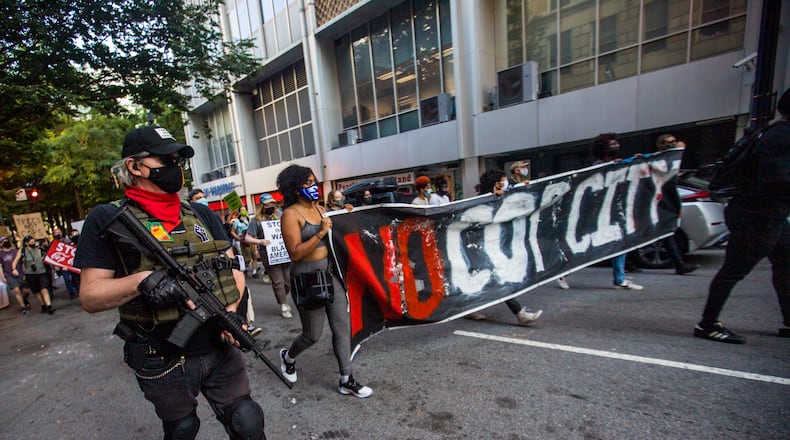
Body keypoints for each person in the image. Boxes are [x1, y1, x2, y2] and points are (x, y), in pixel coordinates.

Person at [74, 125, 265, 439]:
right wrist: (142, 280)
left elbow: (233, 269)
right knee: (182, 429)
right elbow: (90, 296)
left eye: (179, 160)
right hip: (160, 355)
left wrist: (231, 313)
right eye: (165, 160)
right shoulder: (107, 218)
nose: (176, 168)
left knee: (248, 421)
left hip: (218, 347)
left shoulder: (202, 214)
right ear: (134, 167)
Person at [694, 89, 790, 344]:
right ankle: (708, 324)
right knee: (733, 271)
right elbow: (775, 179)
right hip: (758, 215)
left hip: (768, 214)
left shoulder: (770, 133)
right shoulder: (781, 137)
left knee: (785, 263)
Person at [277, 164, 373, 398]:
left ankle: (346, 379)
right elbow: (296, 253)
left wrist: (347, 216)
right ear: (294, 187)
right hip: (307, 277)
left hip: (331, 274)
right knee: (313, 335)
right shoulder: (290, 215)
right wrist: (320, 232)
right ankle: (288, 358)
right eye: (307, 183)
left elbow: (337, 231)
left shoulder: (321, 210)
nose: (313, 186)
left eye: (314, 181)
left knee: (342, 328)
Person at [465, 169, 543, 325]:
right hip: (479, 248)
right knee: (500, 278)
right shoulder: (480, 201)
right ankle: (520, 313)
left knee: (489, 280)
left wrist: (525, 189)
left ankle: (469, 308)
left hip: (492, 246)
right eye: (503, 181)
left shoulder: (501, 198)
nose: (506, 184)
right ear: (496, 184)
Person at [591, 133, 644, 290]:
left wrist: (634, 161)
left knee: (620, 244)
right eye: (611, 144)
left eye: (616, 143)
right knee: (592, 246)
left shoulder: (619, 164)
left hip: (615, 211)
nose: (616, 146)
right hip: (599, 213)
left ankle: (619, 278)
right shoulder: (597, 167)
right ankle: (564, 273)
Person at [655, 134, 700, 275]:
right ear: (660, 146)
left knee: (666, 235)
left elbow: (671, 188)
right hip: (656, 206)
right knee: (665, 235)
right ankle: (679, 265)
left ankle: (679, 264)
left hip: (664, 205)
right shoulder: (657, 161)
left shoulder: (671, 161)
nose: (672, 145)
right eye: (668, 143)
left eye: (673, 142)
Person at [245, 193, 293, 319]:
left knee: (288, 280)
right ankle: (283, 304)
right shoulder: (256, 221)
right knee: (278, 281)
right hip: (268, 253)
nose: (270, 205)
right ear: (262, 206)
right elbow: (247, 237)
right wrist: (260, 242)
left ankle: (282, 294)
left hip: (284, 251)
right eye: (267, 204)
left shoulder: (280, 215)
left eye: (272, 203)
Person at [13, 235, 55, 314]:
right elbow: (15, 261)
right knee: (36, 291)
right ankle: (43, 305)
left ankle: (49, 306)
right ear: (26, 243)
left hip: (42, 272)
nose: (32, 242)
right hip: (30, 274)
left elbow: (48, 257)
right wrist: (14, 269)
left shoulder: (39, 249)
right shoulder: (22, 251)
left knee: (44, 289)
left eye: (33, 240)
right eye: (30, 241)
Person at [0, 236, 31, 314]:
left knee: (26, 291)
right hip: (9, 274)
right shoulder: (0, 254)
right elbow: (0, 266)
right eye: (3, 241)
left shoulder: (16, 251)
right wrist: (3, 277)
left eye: (7, 240)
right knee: (16, 290)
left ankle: (25, 299)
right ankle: (23, 307)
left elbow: (22, 262)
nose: (6, 242)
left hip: (20, 273)